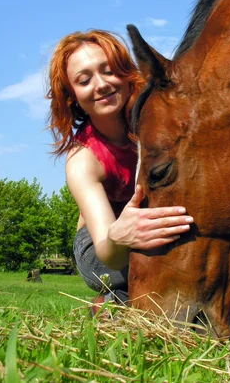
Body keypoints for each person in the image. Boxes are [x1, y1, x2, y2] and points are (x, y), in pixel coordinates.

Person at [46, 29, 194, 310]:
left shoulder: (155, 124)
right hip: (100, 244)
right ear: (72, 96)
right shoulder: (83, 160)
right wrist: (119, 234)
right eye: (84, 80)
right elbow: (108, 252)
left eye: (109, 71)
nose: (101, 84)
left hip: (147, 227)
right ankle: (114, 305)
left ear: (127, 75)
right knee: (151, 261)